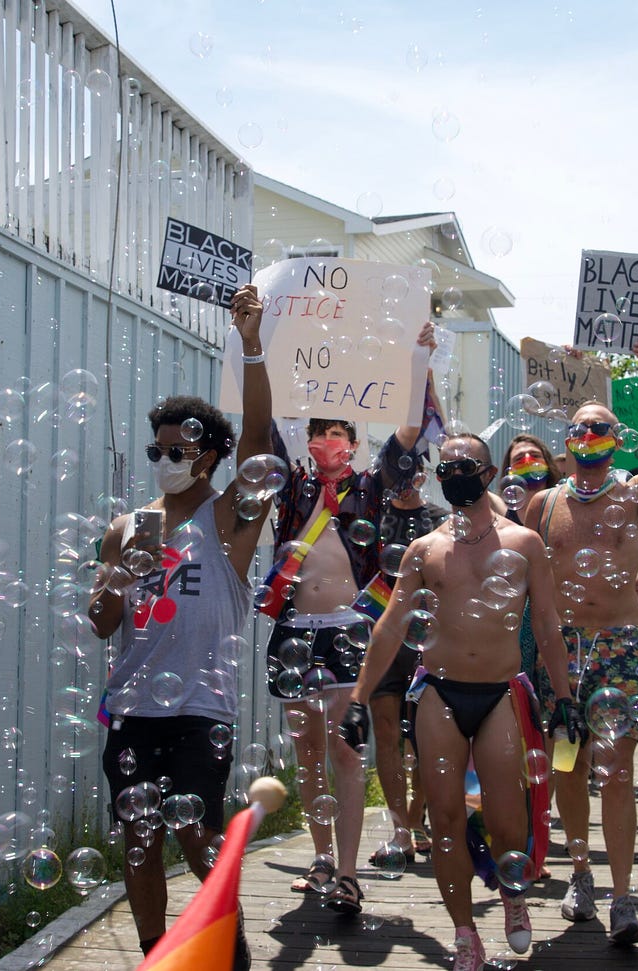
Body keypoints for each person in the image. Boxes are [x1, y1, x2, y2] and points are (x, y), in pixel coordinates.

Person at [341, 433, 581, 971]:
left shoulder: (523, 544)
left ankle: (512, 895)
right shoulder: (426, 549)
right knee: (446, 817)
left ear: (490, 473)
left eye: (465, 465)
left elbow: (545, 624)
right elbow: (388, 626)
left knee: (506, 817)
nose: (454, 474)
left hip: (499, 692)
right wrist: (358, 697)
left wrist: (564, 698)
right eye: (445, 467)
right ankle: (464, 931)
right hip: (439, 693)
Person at [87, 284, 270, 968]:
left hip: (199, 708)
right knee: (139, 840)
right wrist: (122, 576)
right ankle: (155, 952)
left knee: (197, 838)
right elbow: (103, 623)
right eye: (156, 449)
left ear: (209, 456)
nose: (166, 460)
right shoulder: (125, 527)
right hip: (134, 709)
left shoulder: (227, 519)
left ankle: (228, 944)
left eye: (179, 449)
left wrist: (251, 346)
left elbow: (258, 437)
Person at [523, 335, 638, 945]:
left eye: (601, 429)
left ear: (616, 440)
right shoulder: (542, 505)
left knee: (618, 771)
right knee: (567, 762)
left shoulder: (637, 495)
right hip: (560, 648)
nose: (590, 436)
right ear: (567, 442)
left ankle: (623, 897)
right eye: (581, 429)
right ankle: (580, 874)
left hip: (619, 642)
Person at [264, 323, 435, 914]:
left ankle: (347, 871)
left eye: (338, 432)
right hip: (293, 634)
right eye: (318, 431)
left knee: (343, 750)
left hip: (349, 630)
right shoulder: (288, 490)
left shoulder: (370, 486)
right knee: (307, 752)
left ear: (354, 440)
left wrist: (417, 356)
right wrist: (253, 345)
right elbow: (259, 427)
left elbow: (408, 431)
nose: (327, 440)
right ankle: (317, 859)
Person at [366, 473, 444, 863]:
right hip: (380, 636)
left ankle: (416, 817)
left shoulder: (439, 518)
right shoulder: (370, 515)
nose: (405, 480)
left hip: (425, 640)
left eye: (412, 470)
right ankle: (400, 830)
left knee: (424, 737)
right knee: (386, 731)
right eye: (399, 470)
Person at [495, 434, 559, 524]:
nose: (528, 460)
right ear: (510, 471)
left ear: (547, 463)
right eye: (519, 458)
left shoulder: (561, 502)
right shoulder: (500, 509)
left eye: (535, 455)